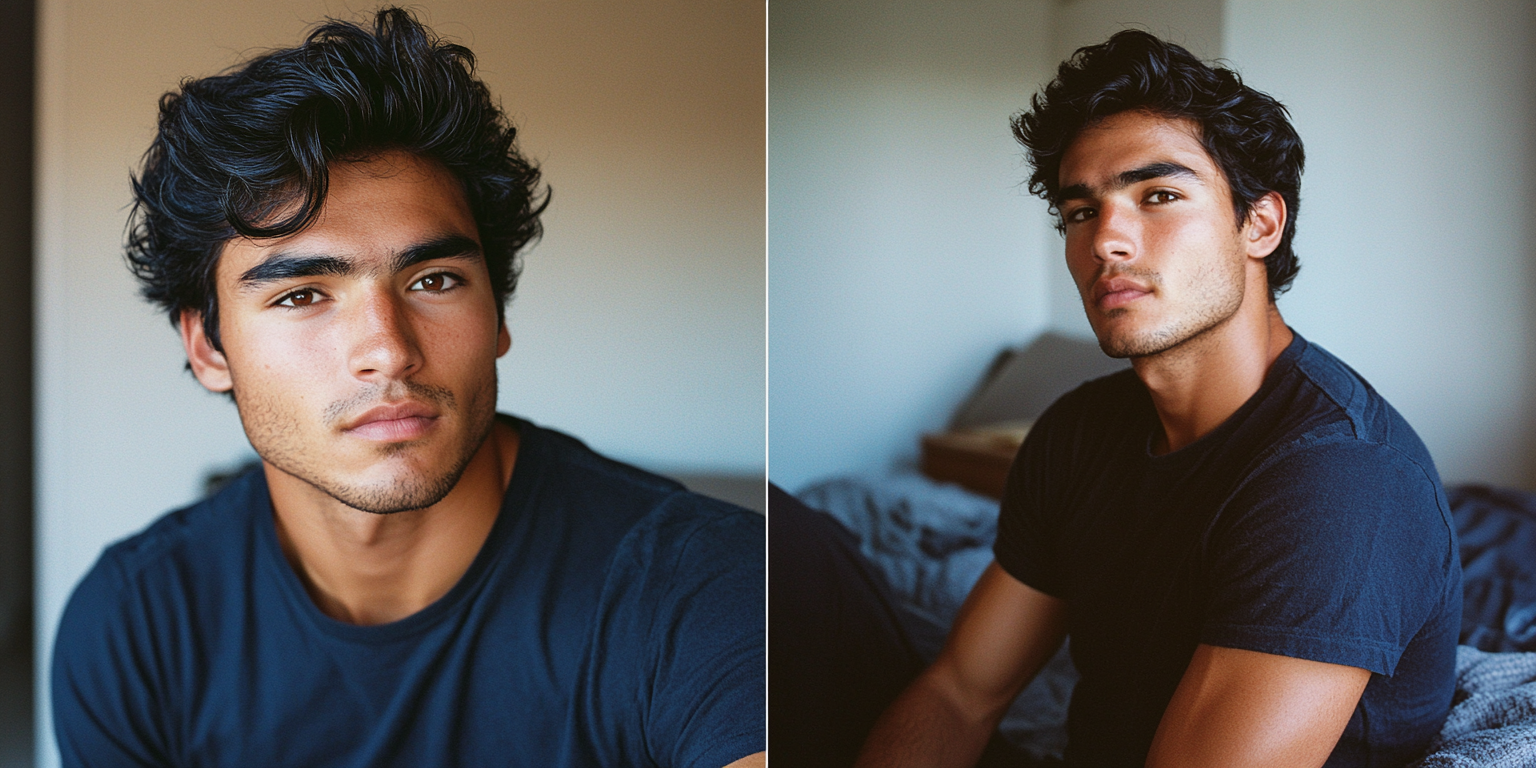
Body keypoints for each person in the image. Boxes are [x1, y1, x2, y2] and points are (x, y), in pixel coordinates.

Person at [51, 9, 764, 768]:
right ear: (208, 346)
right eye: (301, 295)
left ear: (497, 317)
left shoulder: (704, 589)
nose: (389, 351)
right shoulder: (135, 625)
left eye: (434, 280)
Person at [852, 31, 1460, 768]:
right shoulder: (1076, 430)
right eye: (1081, 212)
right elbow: (960, 693)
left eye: (1160, 196)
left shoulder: (1341, 480)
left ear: (1259, 224)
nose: (1107, 239)